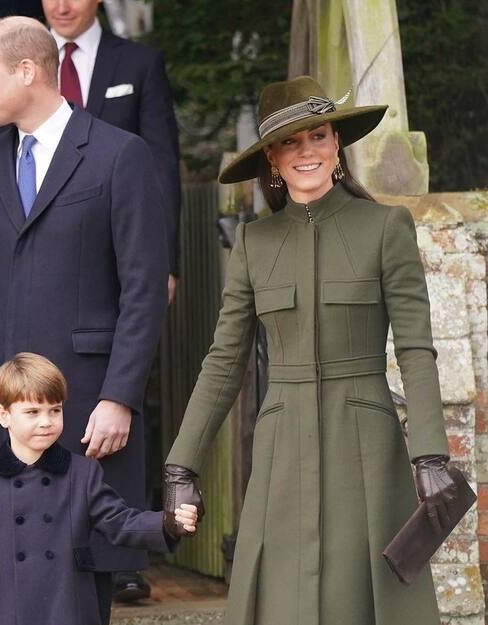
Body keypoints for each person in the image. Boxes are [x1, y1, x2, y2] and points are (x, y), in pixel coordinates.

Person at [163, 76, 456, 625]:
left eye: (317, 136)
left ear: (336, 145)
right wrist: (182, 466)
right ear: (271, 157)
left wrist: (431, 455)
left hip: (367, 448)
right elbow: (224, 362)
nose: (306, 152)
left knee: (361, 599)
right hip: (281, 449)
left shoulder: (385, 226)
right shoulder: (254, 242)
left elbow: (416, 348)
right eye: (290, 142)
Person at [0, 17, 168, 625]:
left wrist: (120, 396)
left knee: (83, 585)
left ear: (27, 71)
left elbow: (144, 290)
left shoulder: (120, 154)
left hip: (86, 414)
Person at [0, 352, 198, 625]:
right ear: (4, 416)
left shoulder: (83, 473)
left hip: (67, 610)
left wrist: (167, 522)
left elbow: (120, 522)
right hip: (3, 613)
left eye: (55, 410)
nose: (46, 421)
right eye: (32, 412)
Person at [42, 0, 181, 303]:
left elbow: (161, 166)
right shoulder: (16, 66)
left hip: (121, 249)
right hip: (39, 250)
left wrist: (165, 262)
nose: (61, 7)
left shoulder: (140, 63)